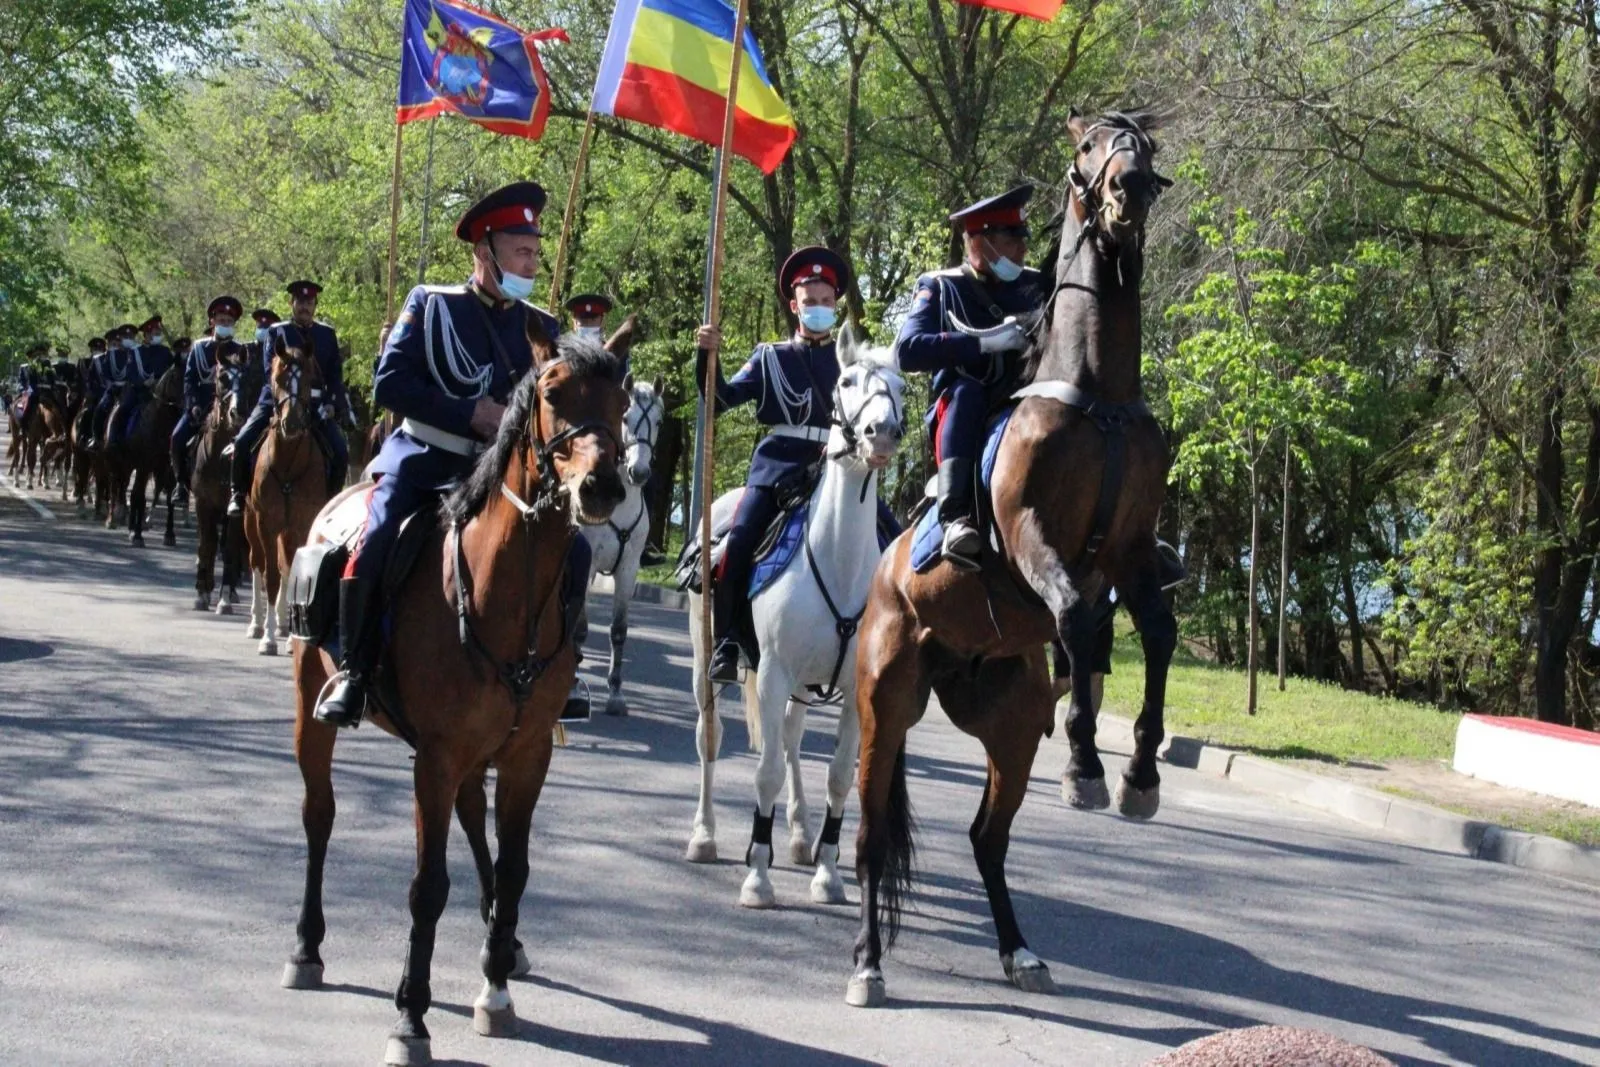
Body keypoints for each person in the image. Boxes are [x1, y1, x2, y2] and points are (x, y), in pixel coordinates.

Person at [314, 181, 594, 729]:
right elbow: (389, 384)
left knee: (576, 551)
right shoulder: (432, 303)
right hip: (426, 460)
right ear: (484, 251)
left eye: (536, 252)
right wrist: (469, 413)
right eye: (522, 251)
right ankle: (354, 668)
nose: (533, 262)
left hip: (501, 480)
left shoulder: (544, 326)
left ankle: (563, 668)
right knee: (376, 540)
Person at [694, 246, 897, 684]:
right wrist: (706, 358)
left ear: (836, 304)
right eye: (810, 302)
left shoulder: (855, 365)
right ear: (794, 305)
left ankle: (907, 642)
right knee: (740, 539)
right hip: (780, 469)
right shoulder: (770, 357)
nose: (819, 309)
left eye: (827, 302)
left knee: (896, 540)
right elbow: (722, 398)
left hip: (840, 469)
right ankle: (728, 639)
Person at [892, 185, 1048, 571]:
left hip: (1027, 397)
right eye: (1011, 239)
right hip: (964, 413)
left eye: (1022, 238)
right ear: (979, 241)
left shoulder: (1036, 285)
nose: (1022, 249)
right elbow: (906, 350)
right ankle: (955, 518)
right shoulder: (941, 286)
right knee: (966, 392)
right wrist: (983, 344)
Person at [227, 282, 348, 515]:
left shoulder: (327, 334)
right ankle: (238, 494)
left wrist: (332, 403)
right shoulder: (276, 332)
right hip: (276, 401)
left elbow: (335, 376)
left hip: (316, 405)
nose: (305, 307)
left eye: (309, 303)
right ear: (291, 304)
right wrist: (282, 400)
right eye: (300, 302)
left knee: (340, 451)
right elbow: (267, 372)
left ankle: (331, 505)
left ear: (315, 306)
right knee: (243, 441)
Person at [173, 296, 243, 489]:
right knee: (177, 436)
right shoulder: (199, 348)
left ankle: (243, 487)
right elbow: (189, 380)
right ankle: (181, 483)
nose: (225, 324)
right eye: (221, 321)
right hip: (201, 406)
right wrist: (193, 404)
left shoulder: (240, 350)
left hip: (230, 407)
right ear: (212, 321)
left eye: (229, 322)